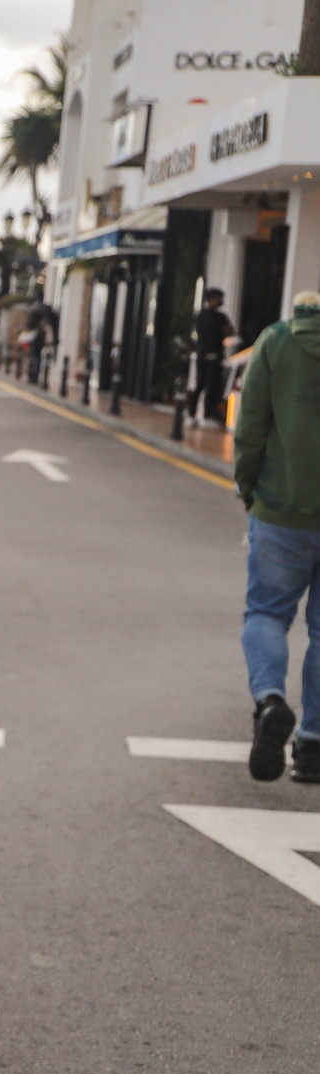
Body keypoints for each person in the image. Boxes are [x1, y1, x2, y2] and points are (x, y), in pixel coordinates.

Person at [233, 291, 320, 783]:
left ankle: (269, 700)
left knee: (267, 612)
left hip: (281, 510)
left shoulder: (275, 342)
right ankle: (312, 748)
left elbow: (251, 425)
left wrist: (248, 487)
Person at [195, 288, 236, 423]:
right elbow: (230, 332)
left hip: (201, 354)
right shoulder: (220, 317)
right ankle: (208, 415)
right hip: (214, 355)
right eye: (220, 298)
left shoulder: (200, 316)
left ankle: (191, 414)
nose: (221, 301)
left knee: (200, 384)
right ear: (213, 298)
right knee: (213, 386)